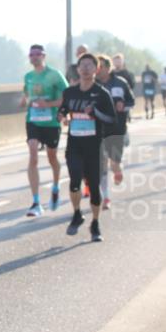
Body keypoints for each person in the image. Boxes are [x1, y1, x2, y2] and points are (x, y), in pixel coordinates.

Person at [59, 53, 117, 243]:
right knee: (74, 180)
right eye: (82, 65)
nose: (85, 68)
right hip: (74, 144)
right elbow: (63, 110)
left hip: (94, 147)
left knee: (93, 185)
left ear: (96, 69)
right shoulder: (69, 93)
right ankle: (77, 214)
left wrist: (95, 113)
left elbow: (112, 120)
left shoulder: (102, 94)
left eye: (89, 65)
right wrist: (63, 117)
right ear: (77, 69)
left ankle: (95, 223)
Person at [20, 44, 67, 217]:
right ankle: (36, 202)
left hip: (51, 123)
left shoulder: (55, 75)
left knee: (52, 157)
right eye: (31, 54)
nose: (34, 57)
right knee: (33, 155)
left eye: (37, 54)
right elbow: (27, 94)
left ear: (44, 56)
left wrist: (49, 105)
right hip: (33, 120)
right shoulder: (28, 76)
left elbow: (65, 97)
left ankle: (55, 186)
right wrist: (25, 101)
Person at [96, 54, 134, 209]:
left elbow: (132, 102)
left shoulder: (120, 83)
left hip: (117, 128)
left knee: (114, 164)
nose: (98, 70)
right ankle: (106, 197)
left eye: (101, 67)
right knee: (102, 163)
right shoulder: (93, 84)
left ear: (108, 67)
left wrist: (123, 106)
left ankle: (118, 171)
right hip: (99, 129)